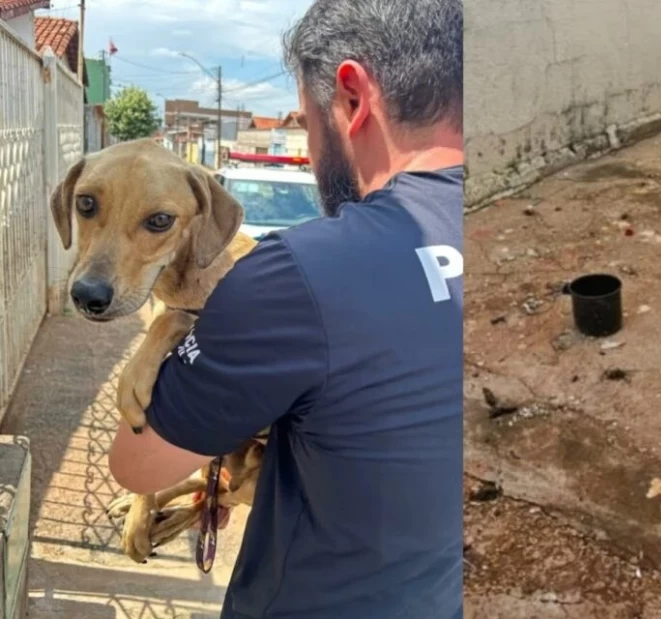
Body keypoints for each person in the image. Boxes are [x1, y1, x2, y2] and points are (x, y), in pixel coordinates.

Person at [108, 1, 464, 617]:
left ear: (352, 98)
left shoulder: (294, 276)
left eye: (307, 122)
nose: (308, 139)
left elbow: (138, 465)